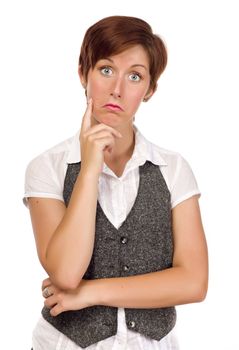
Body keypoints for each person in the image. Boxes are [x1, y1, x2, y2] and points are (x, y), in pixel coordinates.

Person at [23, 15, 208, 350]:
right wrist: (90, 168)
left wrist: (90, 293)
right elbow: (65, 274)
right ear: (83, 72)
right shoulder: (47, 167)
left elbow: (194, 282)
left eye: (134, 76)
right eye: (105, 70)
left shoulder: (173, 169)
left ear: (149, 90)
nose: (117, 90)